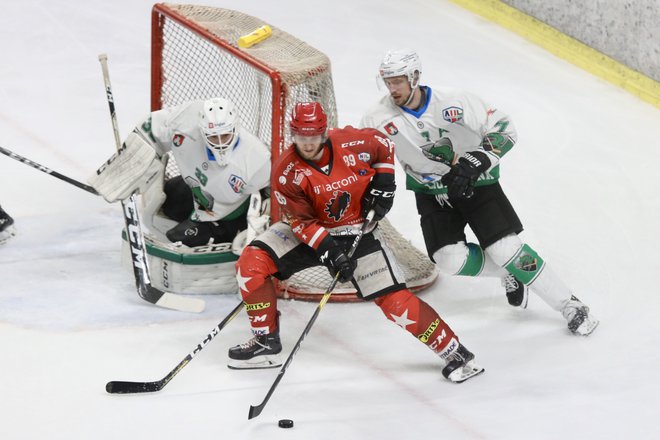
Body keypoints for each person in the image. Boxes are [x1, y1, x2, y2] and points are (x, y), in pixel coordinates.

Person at [226, 101, 484, 384]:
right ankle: (266, 341)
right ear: (293, 134)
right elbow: (302, 223)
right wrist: (330, 253)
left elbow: (384, 145)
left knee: (395, 302)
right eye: (301, 136)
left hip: (357, 229)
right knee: (251, 262)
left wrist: (385, 182)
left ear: (323, 132)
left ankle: (454, 351)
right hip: (310, 233)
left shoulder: (353, 142)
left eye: (313, 136)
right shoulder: (286, 172)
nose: (307, 143)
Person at [360, 49, 598, 336]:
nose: (392, 88)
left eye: (398, 81)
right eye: (387, 82)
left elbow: (504, 127)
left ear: (415, 76)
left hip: (477, 182)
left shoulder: (454, 101)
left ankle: (570, 305)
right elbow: (364, 157)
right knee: (449, 259)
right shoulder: (377, 117)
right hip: (430, 191)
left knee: (506, 249)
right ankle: (511, 272)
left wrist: (480, 158)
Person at [90, 97, 271, 249]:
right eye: (213, 137)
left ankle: (224, 234)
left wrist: (257, 227)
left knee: (176, 238)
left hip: (228, 216)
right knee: (167, 203)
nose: (220, 143)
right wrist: (136, 160)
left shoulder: (258, 158)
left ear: (235, 128)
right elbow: (151, 128)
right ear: (202, 131)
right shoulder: (186, 121)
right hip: (199, 193)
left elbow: (274, 194)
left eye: (225, 135)